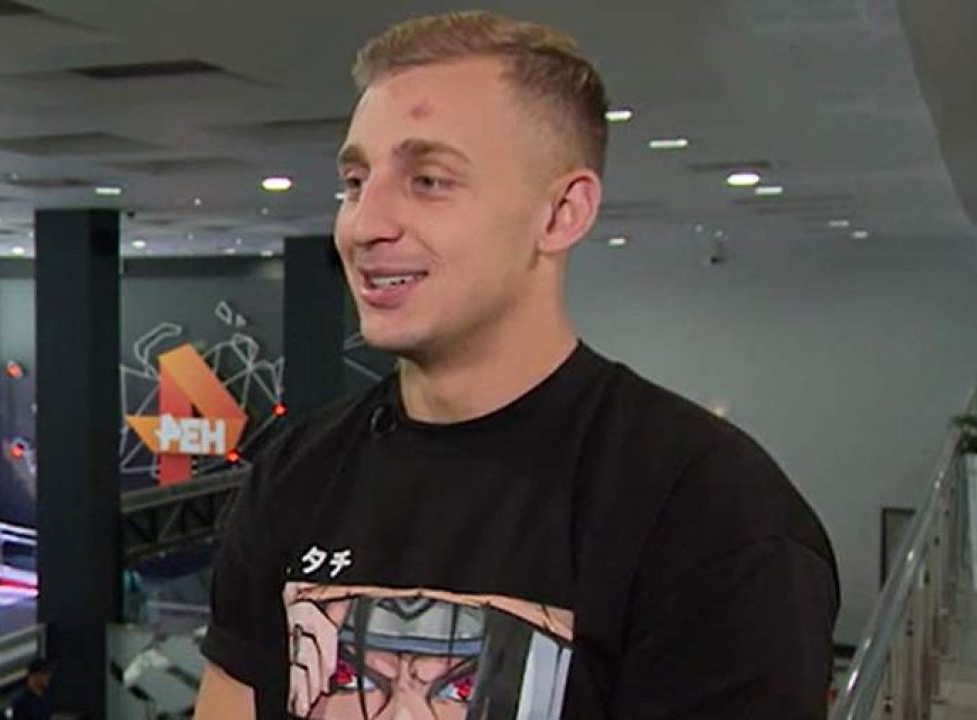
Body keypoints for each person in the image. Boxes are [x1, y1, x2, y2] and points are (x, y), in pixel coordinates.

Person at [195, 10, 839, 720]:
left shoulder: (710, 510)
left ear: (561, 213)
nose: (364, 224)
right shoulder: (294, 474)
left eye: (429, 180)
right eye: (355, 180)